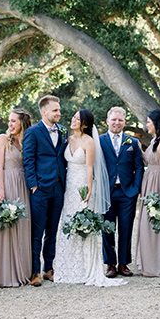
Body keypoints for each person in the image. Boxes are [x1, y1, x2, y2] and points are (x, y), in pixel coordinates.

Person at [54, 109, 123, 287]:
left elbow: (90, 168)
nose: (73, 119)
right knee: (68, 224)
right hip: (69, 189)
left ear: (85, 123)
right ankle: (68, 269)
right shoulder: (68, 140)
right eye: (73, 117)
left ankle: (86, 269)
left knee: (84, 225)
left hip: (84, 188)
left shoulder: (89, 141)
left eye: (77, 118)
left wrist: (89, 192)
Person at [0, 109, 33, 288]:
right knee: (4, 226)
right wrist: (0, 189)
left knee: (21, 225)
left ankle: (22, 271)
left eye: (13, 121)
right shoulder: (2, 138)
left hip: (23, 186)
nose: (9, 124)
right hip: (6, 185)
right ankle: (0, 274)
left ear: (22, 123)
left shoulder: (27, 140)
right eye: (9, 121)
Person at [22, 95, 68, 286]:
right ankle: (34, 272)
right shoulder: (33, 132)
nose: (59, 113)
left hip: (58, 187)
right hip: (40, 189)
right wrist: (33, 185)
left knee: (52, 230)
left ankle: (48, 268)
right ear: (44, 112)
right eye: (55, 110)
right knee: (37, 232)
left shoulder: (63, 131)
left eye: (59, 109)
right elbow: (28, 160)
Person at [99, 106, 144, 278]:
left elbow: (139, 166)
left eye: (120, 120)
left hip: (127, 193)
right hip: (107, 192)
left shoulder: (132, 142)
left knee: (126, 228)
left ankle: (124, 263)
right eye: (114, 119)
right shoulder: (100, 141)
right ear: (107, 121)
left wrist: (135, 188)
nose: (117, 122)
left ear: (124, 122)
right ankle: (110, 264)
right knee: (107, 229)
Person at [134, 109, 160, 278]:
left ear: (156, 122)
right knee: (147, 224)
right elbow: (150, 160)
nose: (146, 125)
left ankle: (159, 264)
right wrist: (141, 150)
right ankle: (148, 263)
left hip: (158, 182)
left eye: (148, 121)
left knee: (157, 222)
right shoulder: (154, 140)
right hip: (148, 181)